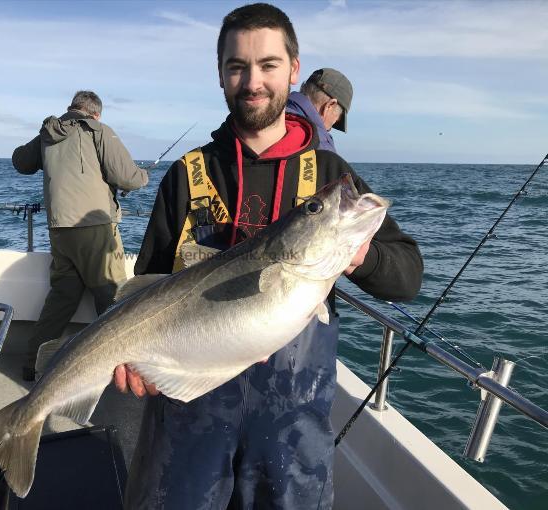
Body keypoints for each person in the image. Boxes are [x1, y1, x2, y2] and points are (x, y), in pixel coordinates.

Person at [118, 3, 423, 509]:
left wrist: (358, 258)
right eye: (237, 66)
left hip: (291, 424)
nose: (252, 81)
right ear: (220, 75)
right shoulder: (185, 174)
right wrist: (134, 361)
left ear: (294, 71)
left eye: (268, 65)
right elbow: (148, 287)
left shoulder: (328, 173)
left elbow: (407, 277)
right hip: (188, 415)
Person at [12, 90, 148, 381]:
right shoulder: (99, 130)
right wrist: (144, 176)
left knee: (62, 298)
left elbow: (21, 163)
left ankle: (32, 363)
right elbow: (127, 177)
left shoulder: (49, 132)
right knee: (112, 296)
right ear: (95, 113)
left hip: (59, 228)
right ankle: (117, 368)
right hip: (95, 227)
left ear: (71, 109)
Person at [286, 67, 353, 153]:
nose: (330, 129)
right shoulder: (320, 144)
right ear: (330, 105)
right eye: (337, 119)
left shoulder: (271, 114)